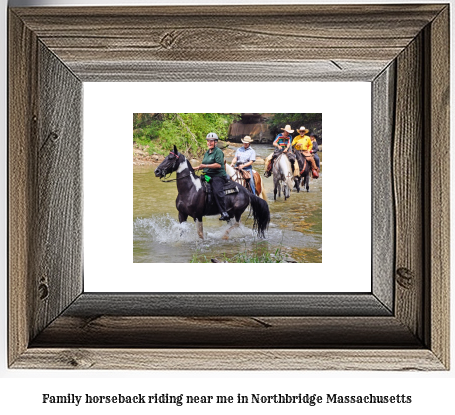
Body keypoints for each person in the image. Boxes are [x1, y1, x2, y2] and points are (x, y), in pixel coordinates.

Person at [194, 132, 230, 221]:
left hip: (218, 176)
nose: (209, 143)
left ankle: (224, 212)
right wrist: (194, 168)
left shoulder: (218, 152)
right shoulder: (207, 153)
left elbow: (218, 165)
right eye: (208, 141)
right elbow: (203, 165)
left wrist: (205, 166)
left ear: (216, 142)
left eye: (211, 141)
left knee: (217, 191)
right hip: (207, 175)